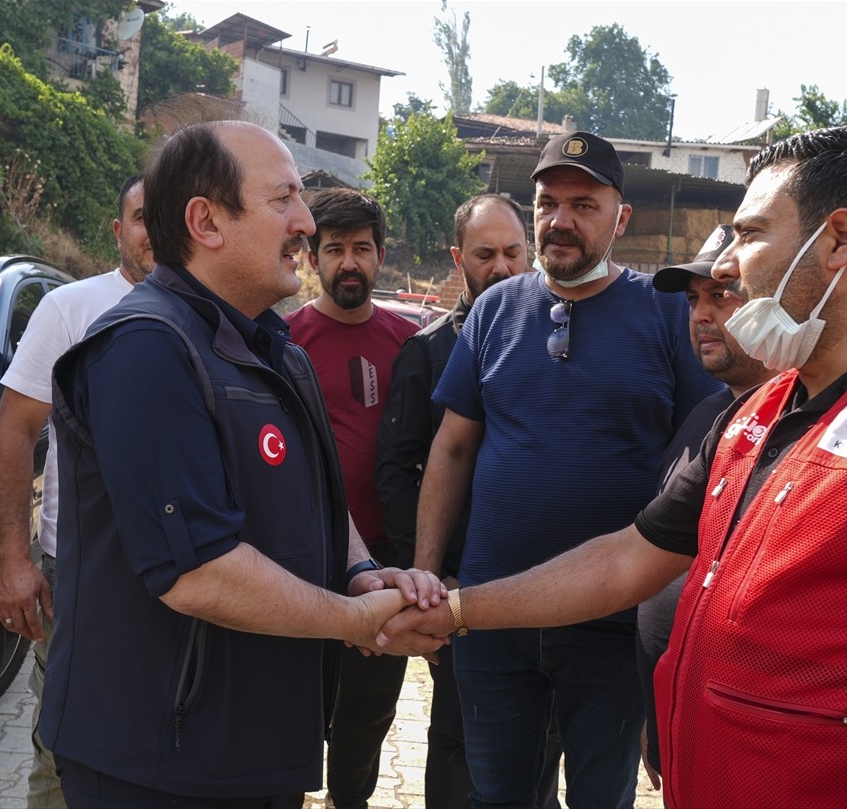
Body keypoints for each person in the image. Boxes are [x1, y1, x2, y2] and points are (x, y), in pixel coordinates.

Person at [382, 126, 847, 808]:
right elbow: (625, 562)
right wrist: (454, 609)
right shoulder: (755, 413)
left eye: (753, 235)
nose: (726, 265)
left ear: (839, 243)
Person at [39, 120, 443, 808]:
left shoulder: (275, 348)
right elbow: (196, 571)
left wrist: (361, 572)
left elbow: (319, 497)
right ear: (206, 222)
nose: (305, 223)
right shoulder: (146, 350)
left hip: (257, 749)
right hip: (157, 760)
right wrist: (354, 620)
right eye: (283, 198)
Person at [413, 131, 724, 808]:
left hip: (613, 622)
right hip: (494, 617)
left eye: (583, 204)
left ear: (622, 218)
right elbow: (452, 448)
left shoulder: (668, 311)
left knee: (601, 798)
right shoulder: (496, 309)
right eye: (548, 203)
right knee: (497, 795)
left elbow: (708, 448)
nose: (560, 220)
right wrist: (431, 575)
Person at [376, 193, 562, 809]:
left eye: (515, 252)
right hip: (457, 588)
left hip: (544, 584)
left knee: (541, 741)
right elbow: (399, 475)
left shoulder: (558, 340)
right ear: (459, 258)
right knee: (460, 740)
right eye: (486, 255)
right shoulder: (427, 352)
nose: (503, 268)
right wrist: (429, 577)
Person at [0, 173, 154, 809]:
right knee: (62, 748)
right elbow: (15, 432)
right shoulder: (72, 309)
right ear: (118, 231)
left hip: (186, 571)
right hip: (76, 573)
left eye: (162, 216)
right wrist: (15, 561)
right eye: (140, 217)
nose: (151, 232)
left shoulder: (213, 312)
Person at [283, 188, 419, 809]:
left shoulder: (408, 342)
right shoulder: (283, 343)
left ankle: (352, 800)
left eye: (361, 249)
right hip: (303, 559)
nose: (349, 263)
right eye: (334, 249)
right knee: (299, 703)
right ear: (313, 257)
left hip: (385, 562)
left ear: (381, 256)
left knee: (368, 711)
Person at [636, 223, 772, 789]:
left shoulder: (811, 429)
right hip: (677, 728)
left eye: (722, 295)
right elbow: (647, 560)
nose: (700, 315)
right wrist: (652, 711)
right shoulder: (708, 416)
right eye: (694, 300)